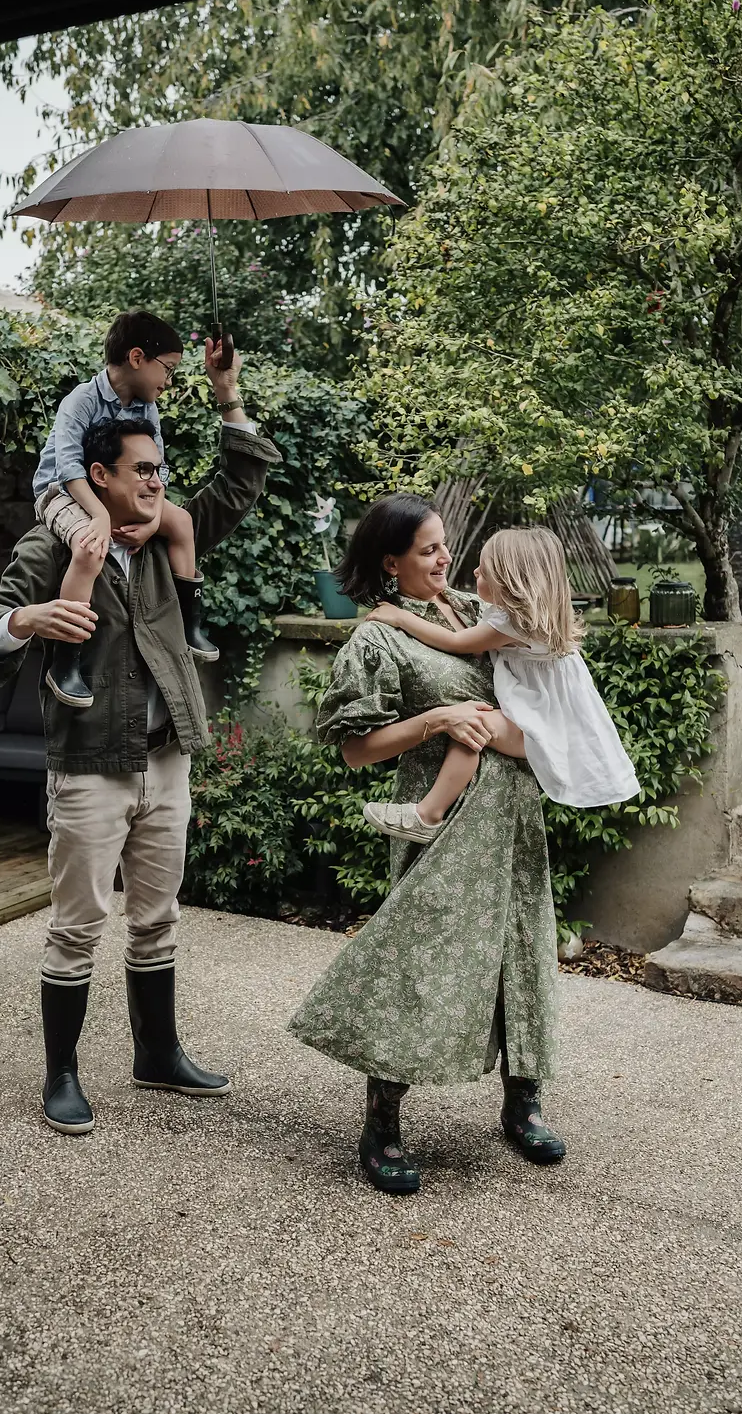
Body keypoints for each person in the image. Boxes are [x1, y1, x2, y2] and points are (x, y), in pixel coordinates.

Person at [0, 343, 281, 1137]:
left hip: (165, 760)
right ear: (99, 479)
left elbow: (241, 481)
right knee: (77, 924)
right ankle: (63, 1073)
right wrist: (27, 621)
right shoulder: (51, 549)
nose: (156, 482)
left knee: (158, 916)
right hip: (89, 769)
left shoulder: (169, 538)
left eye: (160, 471)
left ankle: (158, 1052)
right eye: (141, 470)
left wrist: (226, 392)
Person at [288, 493, 564, 1196]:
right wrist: (434, 718)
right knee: (415, 957)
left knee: (519, 950)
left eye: (446, 546)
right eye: (428, 550)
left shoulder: (478, 616)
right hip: (442, 826)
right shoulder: (377, 639)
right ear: (391, 563)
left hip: (512, 819)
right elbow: (353, 751)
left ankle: (522, 1099)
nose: (446, 558)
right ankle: (381, 1123)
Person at [361, 526, 640, 845]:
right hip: (548, 720)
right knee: (472, 725)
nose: (475, 570)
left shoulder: (512, 623)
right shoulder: (530, 614)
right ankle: (428, 814)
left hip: (542, 729)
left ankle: (427, 815)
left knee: (472, 726)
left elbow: (455, 641)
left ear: (509, 583)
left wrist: (399, 618)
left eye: (485, 570)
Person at [33, 309, 220, 709]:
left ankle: (190, 624)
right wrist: (99, 518)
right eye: (166, 370)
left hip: (114, 496)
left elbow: (157, 470)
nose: (168, 382)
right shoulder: (81, 400)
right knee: (88, 547)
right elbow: (67, 469)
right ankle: (66, 661)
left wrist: (153, 521)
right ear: (137, 358)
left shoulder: (145, 407)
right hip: (63, 493)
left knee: (182, 521)